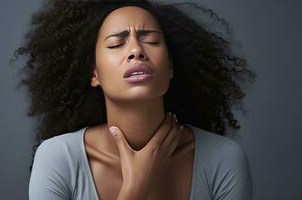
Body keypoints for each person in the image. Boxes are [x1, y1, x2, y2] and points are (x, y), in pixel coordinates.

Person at [13, 0, 255, 199]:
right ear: (94, 74)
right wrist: (137, 184)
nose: (136, 50)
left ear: (170, 66)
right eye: (116, 43)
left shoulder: (222, 158)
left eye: (150, 40)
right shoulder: (58, 159)